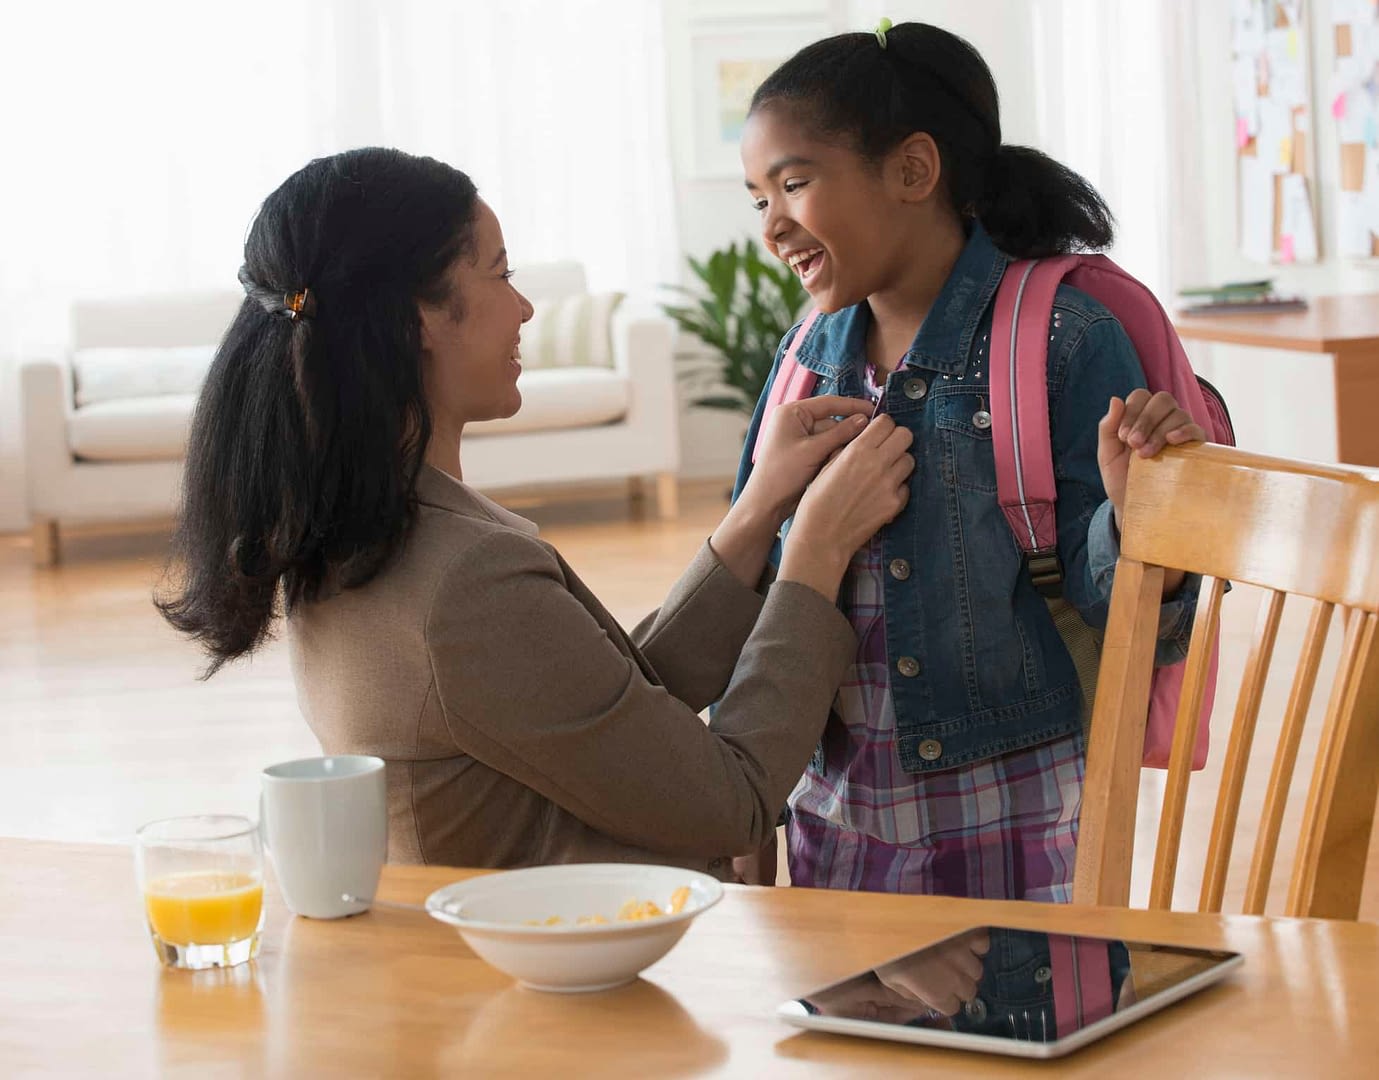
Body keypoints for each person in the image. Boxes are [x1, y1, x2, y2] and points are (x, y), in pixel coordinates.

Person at [156, 146, 916, 878]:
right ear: (417, 317)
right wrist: (814, 553)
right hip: (552, 990)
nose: (522, 306)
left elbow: (602, 710)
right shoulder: (461, 581)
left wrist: (757, 512)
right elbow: (732, 802)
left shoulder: (352, 532)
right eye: (499, 273)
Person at [730, 22, 1207, 898]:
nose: (773, 225)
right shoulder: (803, 357)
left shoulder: (1064, 339)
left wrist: (1140, 519)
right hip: (832, 819)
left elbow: (1120, 606)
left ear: (913, 170)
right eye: (757, 198)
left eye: (794, 183)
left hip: (1016, 829)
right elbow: (756, 593)